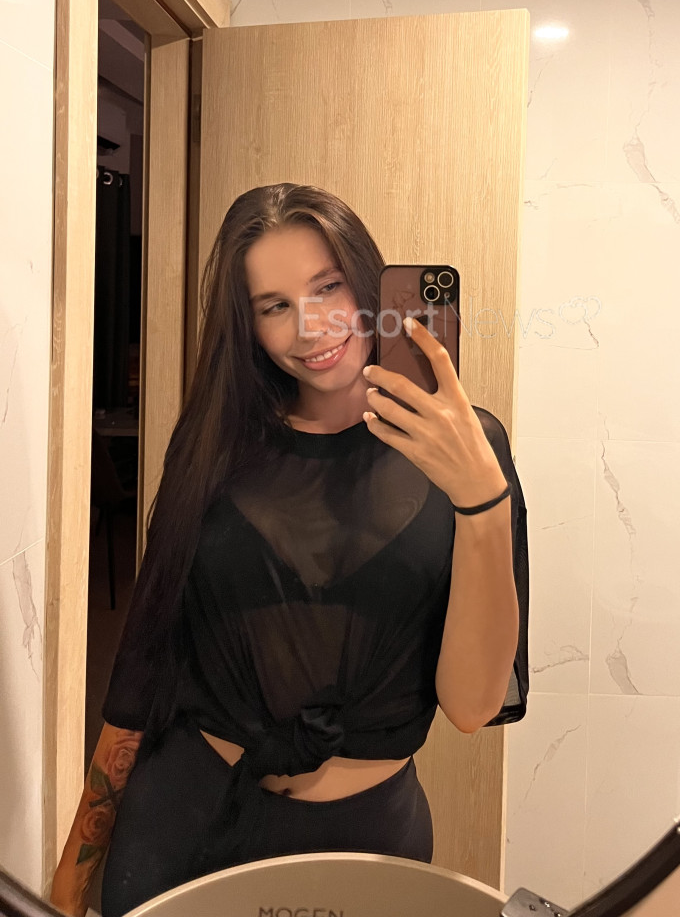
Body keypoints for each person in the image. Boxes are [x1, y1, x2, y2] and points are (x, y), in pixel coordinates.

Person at [50, 183, 529, 917]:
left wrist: (482, 501)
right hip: (188, 821)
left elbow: (471, 706)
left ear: (369, 283)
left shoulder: (472, 450)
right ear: (248, 327)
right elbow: (142, 665)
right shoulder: (215, 449)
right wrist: (71, 879)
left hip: (368, 845)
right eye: (274, 306)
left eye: (327, 286)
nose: (311, 327)